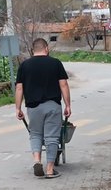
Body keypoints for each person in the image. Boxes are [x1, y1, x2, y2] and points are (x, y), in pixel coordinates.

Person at [15, 38, 71, 179]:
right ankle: (50, 169)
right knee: (52, 137)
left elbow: (19, 88)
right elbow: (63, 85)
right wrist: (68, 105)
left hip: (33, 107)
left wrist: (18, 108)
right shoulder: (55, 63)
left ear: (33, 50)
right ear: (46, 48)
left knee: (35, 134)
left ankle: (37, 160)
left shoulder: (24, 66)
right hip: (52, 105)